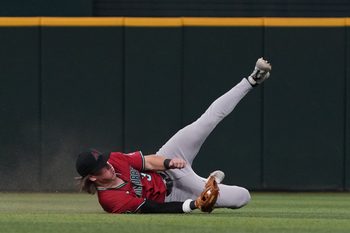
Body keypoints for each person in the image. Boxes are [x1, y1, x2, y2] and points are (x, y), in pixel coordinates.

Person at [75, 58, 272, 214]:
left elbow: (148, 162)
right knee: (242, 197)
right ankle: (211, 182)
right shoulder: (111, 201)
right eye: (101, 166)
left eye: (104, 160)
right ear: (92, 177)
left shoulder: (114, 160)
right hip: (173, 195)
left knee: (205, 122)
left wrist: (169, 162)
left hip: (167, 166)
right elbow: (152, 208)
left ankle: (252, 79)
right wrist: (193, 205)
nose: (107, 164)